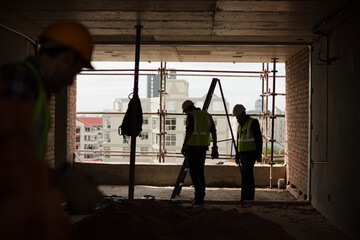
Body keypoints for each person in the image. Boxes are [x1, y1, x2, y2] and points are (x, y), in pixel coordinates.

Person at [0, 20, 102, 239]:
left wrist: (56, 178)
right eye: (75, 72)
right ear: (66, 59)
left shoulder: (33, 86)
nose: (71, 80)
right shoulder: (20, 82)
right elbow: (9, 158)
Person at [181, 100, 218, 205]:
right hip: (203, 148)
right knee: (200, 172)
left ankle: (199, 197)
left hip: (192, 148)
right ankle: (201, 195)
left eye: (185, 111)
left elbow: (189, 132)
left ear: (187, 109)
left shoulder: (191, 115)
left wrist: (184, 145)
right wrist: (215, 147)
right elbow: (214, 132)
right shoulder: (207, 115)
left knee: (193, 173)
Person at [233, 104, 263, 200]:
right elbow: (239, 141)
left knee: (248, 175)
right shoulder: (239, 125)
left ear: (243, 114)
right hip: (242, 154)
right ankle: (246, 195)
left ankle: (249, 196)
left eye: (238, 116)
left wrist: (259, 155)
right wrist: (237, 156)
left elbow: (259, 139)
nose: (237, 118)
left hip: (250, 153)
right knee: (245, 175)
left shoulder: (253, 122)